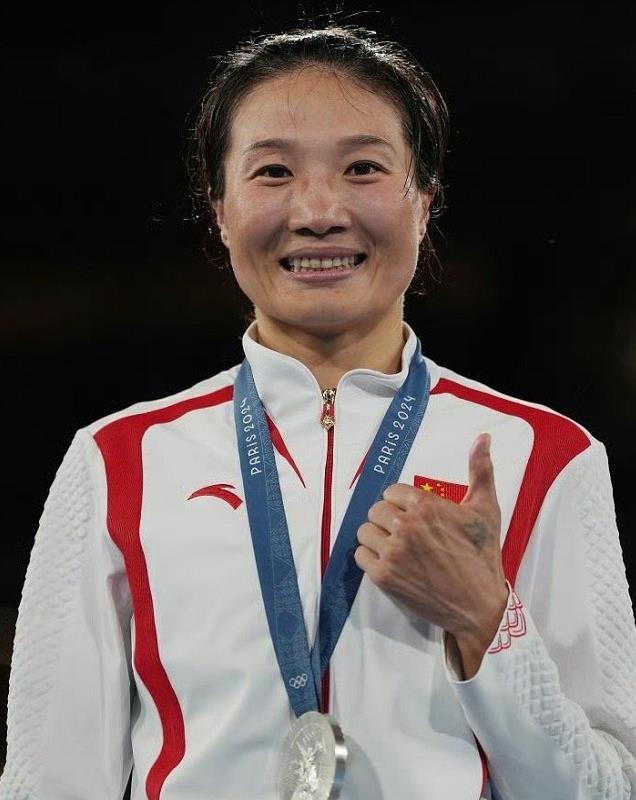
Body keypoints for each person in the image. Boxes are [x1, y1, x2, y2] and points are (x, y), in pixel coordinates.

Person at [1, 24, 635, 800]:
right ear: (220, 210)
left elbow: (608, 787)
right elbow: (49, 783)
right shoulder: (119, 462)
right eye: (273, 172)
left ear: (424, 201)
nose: (318, 211)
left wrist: (486, 621)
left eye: (363, 168)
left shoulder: (545, 456)